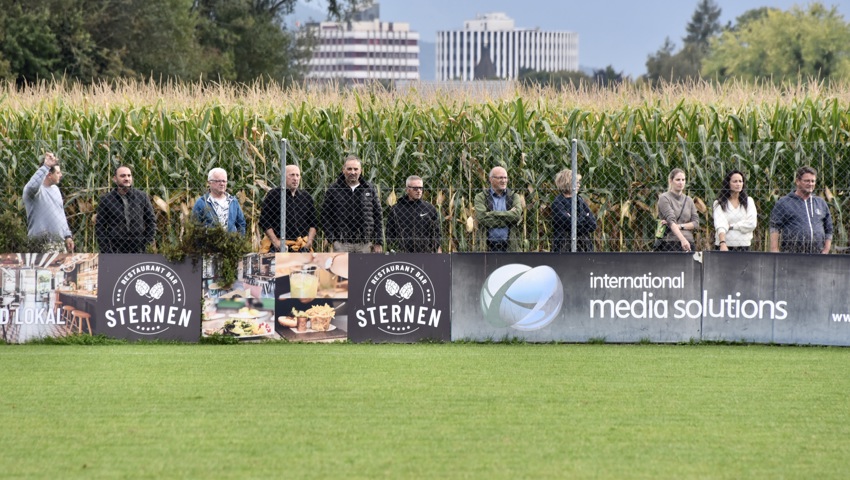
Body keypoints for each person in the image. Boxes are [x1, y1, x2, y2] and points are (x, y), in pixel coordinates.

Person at [320, 155, 383, 253]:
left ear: (360, 170)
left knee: (364, 269)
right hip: (341, 244)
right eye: (349, 169)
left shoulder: (369, 189)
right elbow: (325, 215)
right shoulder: (333, 190)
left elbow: (378, 215)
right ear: (343, 170)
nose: (352, 172)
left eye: (355, 169)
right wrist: (332, 238)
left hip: (364, 244)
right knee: (342, 269)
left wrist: (378, 241)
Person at [769, 166, 832, 254]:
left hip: (818, 256)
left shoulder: (820, 203)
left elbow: (829, 229)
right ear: (798, 181)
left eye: (813, 181)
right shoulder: (784, 202)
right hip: (791, 255)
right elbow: (774, 227)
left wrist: (826, 250)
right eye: (807, 181)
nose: (810, 184)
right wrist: (774, 250)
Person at [95, 166, 157, 253]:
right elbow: (100, 226)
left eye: (129, 175)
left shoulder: (142, 197)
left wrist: (147, 244)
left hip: (139, 249)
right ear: (115, 179)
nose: (127, 178)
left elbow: (151, 221)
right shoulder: (106, 199)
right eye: (123, 176)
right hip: (115, 250)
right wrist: (106, 249)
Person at [23, 152, 74, 252]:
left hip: (59, 244)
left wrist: (67, 235)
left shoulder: (56, 190)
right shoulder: (35, 192)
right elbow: (32, 186)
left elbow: (60, 214)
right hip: (41, 245)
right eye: (58, 173)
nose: (61, 175)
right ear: (49, 175)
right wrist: (46, 166)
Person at [259, 165, 317, 252]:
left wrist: (309, 242)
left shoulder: (306, 197)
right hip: (278, 246)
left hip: (302, 247)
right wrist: (275, 242)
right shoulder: (273, 195)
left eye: (297, 175)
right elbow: (264, 221)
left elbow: (313, 223)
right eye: (292, 175)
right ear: (283, 177)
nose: (295, 178)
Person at [386, 175, 442, 253]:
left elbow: (436, 233)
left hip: (425, 254)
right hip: (402, 254)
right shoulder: (396, 209)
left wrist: (433, 249)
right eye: (415, 188)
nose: (419, 191)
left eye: (421, 188)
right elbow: (390, 233)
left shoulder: (430, 209)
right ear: (407, 189)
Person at [474, 166, 523, 252]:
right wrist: (507, 216)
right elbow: (482, 218)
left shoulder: (514, 196)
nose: (504, 181)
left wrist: (492, 214)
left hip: (510, 248)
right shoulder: (481, 197)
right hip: (487, 248)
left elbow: (516, 216)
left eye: (505, 178)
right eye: (500, 178)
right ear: (491, 179)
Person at [550, 168, 596, 252]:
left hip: (584, 247)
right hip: (564, 247)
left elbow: (593, 224)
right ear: (567, 182)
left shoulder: (580, 200)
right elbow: (568, 224)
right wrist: (585, 218)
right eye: (576, 182)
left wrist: (575, 220)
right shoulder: (558, 203)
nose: (579, 185)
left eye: (579, 182)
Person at [713, 170, 757, 251]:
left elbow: (752, 223)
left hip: (744, 246)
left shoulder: (749, 201)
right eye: (735, 181)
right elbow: (720, 224)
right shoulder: (719, 203)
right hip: (725, 246)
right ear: (728, 183)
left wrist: (731, 226)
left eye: (740, 181)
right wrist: (722, 243)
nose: (738, 184)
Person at [192, 168, 246, 234]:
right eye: (218, 181)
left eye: (224, 181)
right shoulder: (201, 203)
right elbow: (194, 226)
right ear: (209, 182)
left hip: (231, 242)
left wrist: (239, 240)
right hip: (209, 242)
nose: (222, 184)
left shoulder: (233, 202)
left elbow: (241, 224)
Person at [657, 168, 699, 252]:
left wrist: (680, 226)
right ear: (670, 181)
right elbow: (671, 220)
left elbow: (696, 223)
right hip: (671, 242)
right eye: (678, 180)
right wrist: (683, 240)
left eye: (683, 180)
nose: (681, 182)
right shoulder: (664, 198)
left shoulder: (689, 200)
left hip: (689, 242)